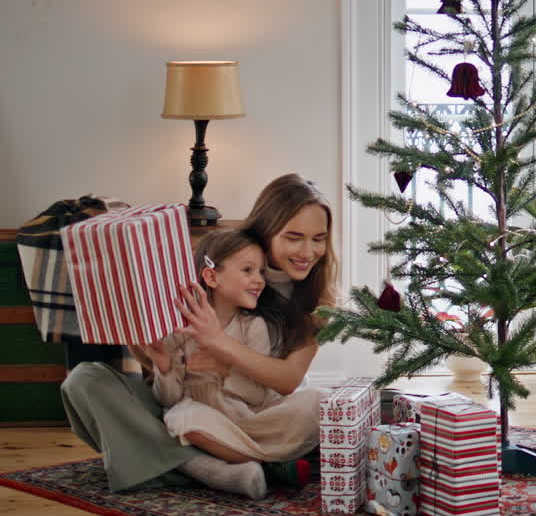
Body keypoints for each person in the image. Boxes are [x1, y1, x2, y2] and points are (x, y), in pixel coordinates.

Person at [60, 174, 338, 496]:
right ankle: (208, 469)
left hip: (256, 413)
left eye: (319, 238)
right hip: (185, 401)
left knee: (321, 403)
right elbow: (166, 361)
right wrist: (141, 338)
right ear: (267, 231)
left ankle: (173, 461)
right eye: (294, 237)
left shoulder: (319, 299)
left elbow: (288, 379)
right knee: (84, 382)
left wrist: (219, 347)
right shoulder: (220, 260)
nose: (308, 251)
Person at [141, 228, 320, 484]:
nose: (259, 280)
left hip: (251, 418)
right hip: (209, 420)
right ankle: (272, 467)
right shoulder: (182, 330)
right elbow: (170, 398)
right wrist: (164, 367)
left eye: (261, 272)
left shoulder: (253, 326)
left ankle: (250, 459)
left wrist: (225, 372)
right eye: (248, 270)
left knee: (317, 401)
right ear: (212, 277)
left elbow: (258, 396)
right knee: (181, 418)